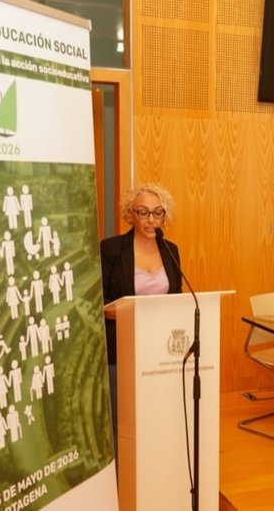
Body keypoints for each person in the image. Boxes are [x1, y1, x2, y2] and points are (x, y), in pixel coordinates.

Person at [100, 183, 182, 453]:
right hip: (121, 346)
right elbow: (100, 303)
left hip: (160, 348)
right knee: (121, 417)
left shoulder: (170, 249)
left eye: (157, 213)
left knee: (155, 413)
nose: (151, 220)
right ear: (130, 214)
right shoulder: (111, 250)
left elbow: (177, 296)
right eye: (144, 212)